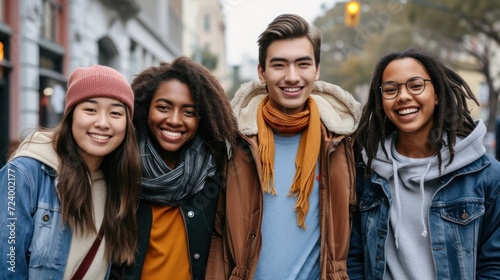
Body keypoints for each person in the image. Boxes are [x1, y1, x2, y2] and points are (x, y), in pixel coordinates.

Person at [206, 14, 361, 279]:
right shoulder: (232, 140)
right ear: (261, 72)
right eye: (279, 65)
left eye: (303, 64)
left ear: (317, 70)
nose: (292, 77)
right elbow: (216, 235)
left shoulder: (343, 140)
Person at [347, 48, 500, 279]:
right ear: (381, 101)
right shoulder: (366, 171)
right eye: (391, 89)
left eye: (416, 85)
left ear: (437, 94)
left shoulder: (487, 176)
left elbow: (494, 266)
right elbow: (354, 257)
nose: (403, 96)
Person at [0, 65, 141, 279]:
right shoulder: (24, 173)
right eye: (90, 110)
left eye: (115, 113)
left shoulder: (121, 181)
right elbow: (7, 264)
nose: (103, 123)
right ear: (71, 115)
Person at [111, 57, 239, 280]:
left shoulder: (214, 174)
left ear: (202, 118)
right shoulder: (122, 168)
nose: (174, 120)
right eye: (163, 107)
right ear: (145, 107)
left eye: (188, 112)